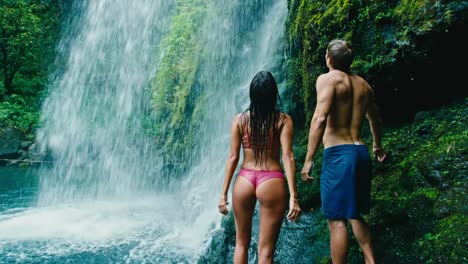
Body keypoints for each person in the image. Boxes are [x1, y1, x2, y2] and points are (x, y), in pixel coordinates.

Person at [300, 40, 387, 264]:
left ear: (329, 59)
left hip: (338, 155)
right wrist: (377, 146)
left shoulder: (327, 80)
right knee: (353, 212)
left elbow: (319, 118)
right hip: (360, 153)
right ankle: (370, 260)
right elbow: (375, 119)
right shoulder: (364, 86)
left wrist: (309, 159)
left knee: (336, 219)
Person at [218, 71, 301, 264]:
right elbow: (288, 156)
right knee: (265, 252)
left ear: (252, 94)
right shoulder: (283, 120)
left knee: (241, 244)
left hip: (245, 179)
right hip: (271, 179)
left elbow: (232, 157)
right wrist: (294, 197)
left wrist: (223, 194)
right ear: (273, 94)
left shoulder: (239, 120)